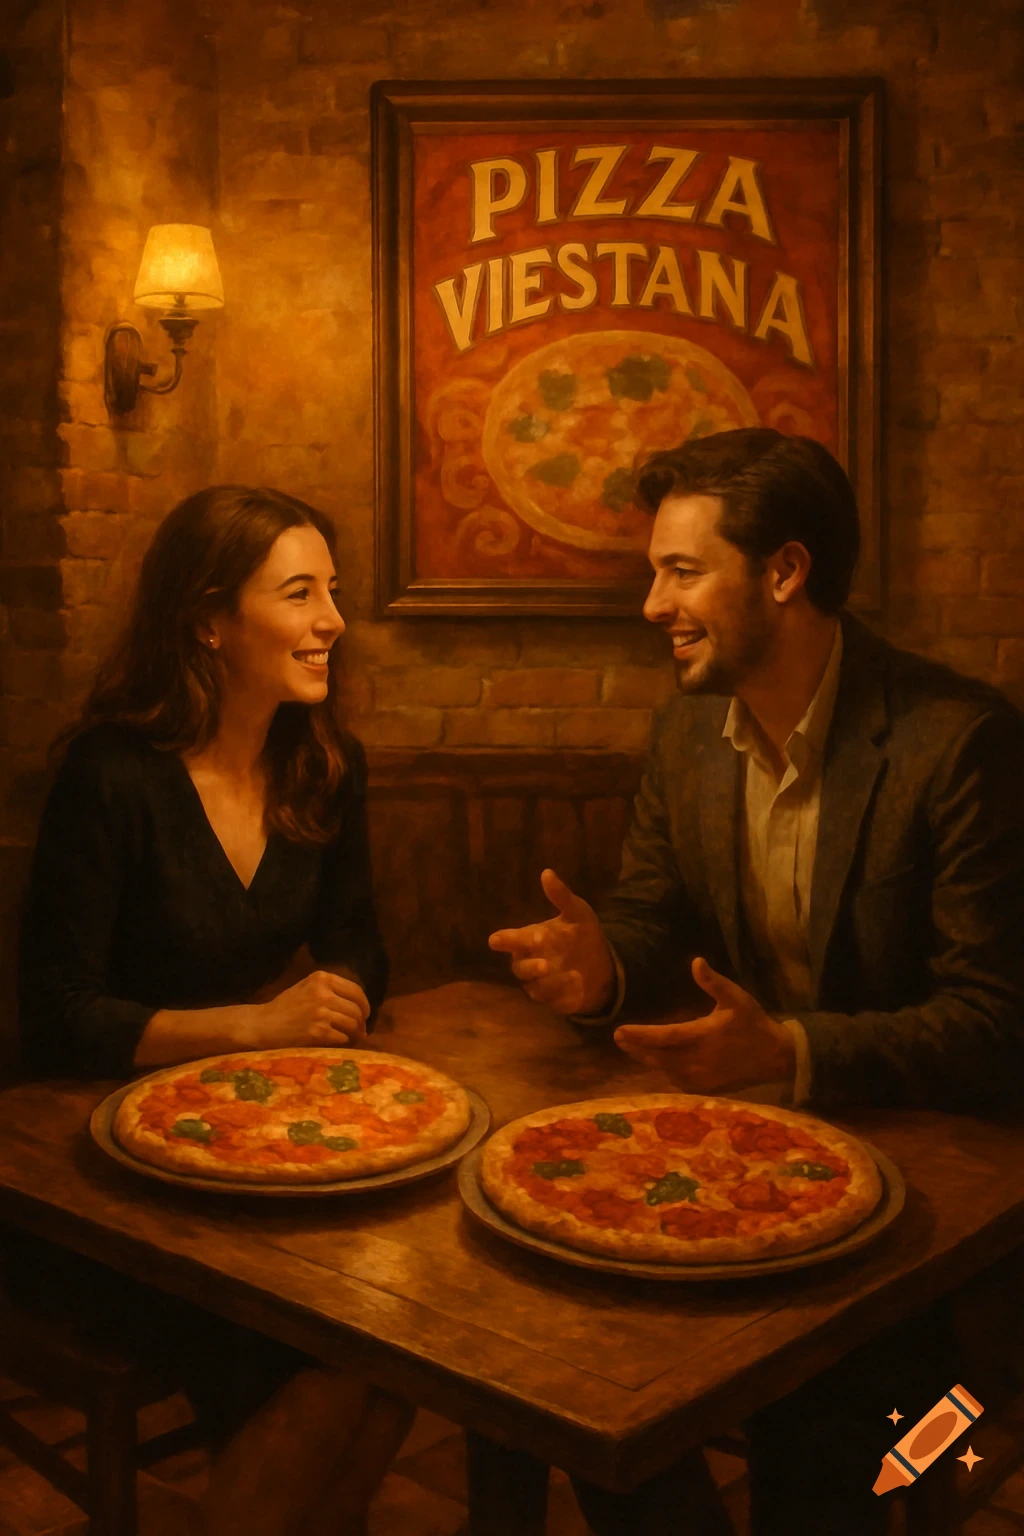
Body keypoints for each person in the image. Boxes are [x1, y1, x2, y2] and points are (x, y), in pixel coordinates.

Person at [489, 427, 1024, 1536]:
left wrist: (790, 1053)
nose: (652, 604)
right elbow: (650, 922)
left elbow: (995, 1028)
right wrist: (601, 971)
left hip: (948, 1248)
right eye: (655, 572)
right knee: (553, 1370)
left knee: (828, 1446)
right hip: (762, 1185)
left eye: (681, 570)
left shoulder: (959, 743)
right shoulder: (688, 732)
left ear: (783, 573)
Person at [16, 485, 414, 1536]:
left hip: (245, 1148)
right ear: (206, 620)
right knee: (332, 1353)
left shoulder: (324, 761)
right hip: (91, 1186)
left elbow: (359, 944)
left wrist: (341, 998)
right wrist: (250, 1029)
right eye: (300, 592)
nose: (335, 619)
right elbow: (56, 1017)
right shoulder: (113, 774)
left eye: (335, 591)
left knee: (405, 1341)